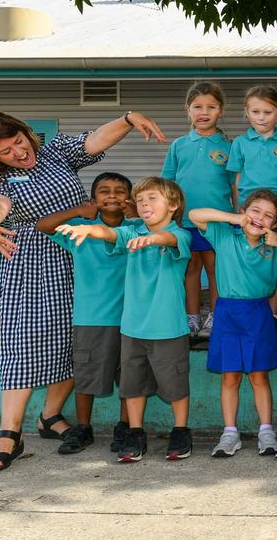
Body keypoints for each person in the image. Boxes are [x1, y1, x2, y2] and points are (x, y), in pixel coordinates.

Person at [0, 108, 165, 472]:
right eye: (6, 152)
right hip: (31, 264)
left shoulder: (54, 152)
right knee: (21, 344)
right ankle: (9, 433)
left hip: (83, 261)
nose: (19, 153)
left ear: (26, 132)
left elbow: (93, 142)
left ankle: (50, 415)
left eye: (18, 142)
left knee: (76, 342)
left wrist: (126, 119)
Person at [56, 177, 194, 463]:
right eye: (141, 200)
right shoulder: (131, 230)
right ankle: (135, 432)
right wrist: (92, 229)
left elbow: (169, 239)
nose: (145, 205)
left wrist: (153, 238)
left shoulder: (180, 234)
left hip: (168, 327)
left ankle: (180, 430)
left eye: (152, 199)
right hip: (131, 328)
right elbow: (112, 235)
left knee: (175, 384)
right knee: (133, 385)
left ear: (173, 205)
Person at [36, 172, 134, 455]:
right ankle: (83, 427)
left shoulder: (138, 228)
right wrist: (78, 210)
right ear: (94, 199)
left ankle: (125, 426)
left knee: (129, 376)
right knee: (87, 375)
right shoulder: (80, 229)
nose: (112, 195)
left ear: (128, 198)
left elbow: (165, 228)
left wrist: (138, 211)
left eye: (119, 191)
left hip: (132, 318)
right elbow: (44, 225)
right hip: (90, 318)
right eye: (104, 191)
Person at [188, 190, 277, 458]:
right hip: (228, 312)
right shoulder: (224, 235)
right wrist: (234, 217)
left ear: (275, 224)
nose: (260, 218)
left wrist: (273, 312)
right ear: (244, 211)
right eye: (255, 211)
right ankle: (230, 432)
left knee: (258, 375)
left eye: (269, 216)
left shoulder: (274, 246)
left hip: (258, 312)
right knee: (229, 376)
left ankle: (266, 431)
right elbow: (195, 215)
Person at [161, 81, 234, 337]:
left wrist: (237, 218)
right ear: (188, 110)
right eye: (198, 107)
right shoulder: (179, 145)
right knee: (191, 269)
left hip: (219, 222)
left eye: (211, 107)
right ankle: (192, 317)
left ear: (221, 110)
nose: (204, 112)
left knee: (216, 270)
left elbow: (235, 185)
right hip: (185, 223)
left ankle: (215, 316)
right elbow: (167, 185)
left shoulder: (230, 146)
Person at [227, 85, 277, 234]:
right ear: (247, 112)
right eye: (255, 112)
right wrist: (238, 211)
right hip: (250, 212)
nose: (261, 117)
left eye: (268, 112)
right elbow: (236, 182)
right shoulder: (239, 143)